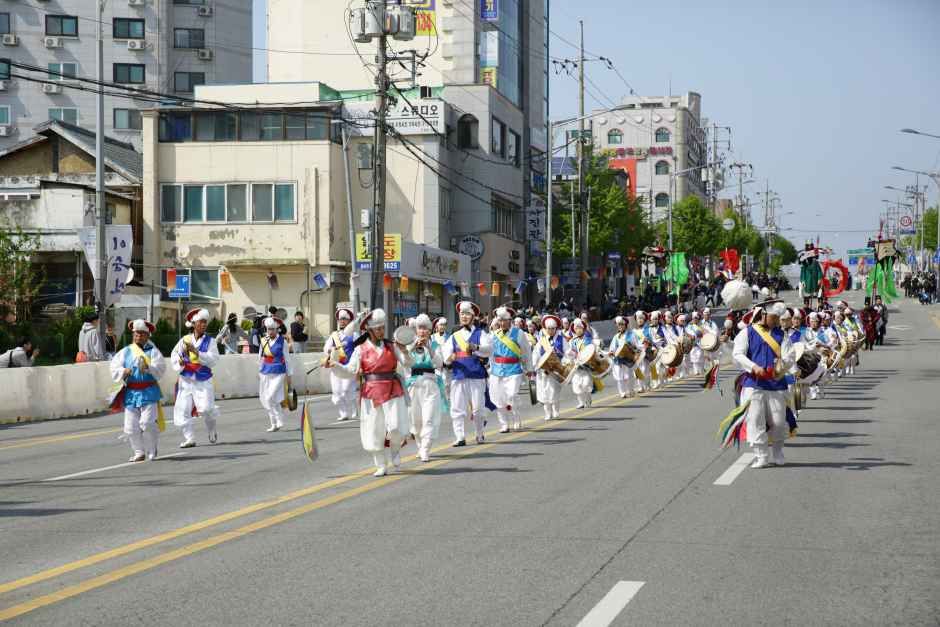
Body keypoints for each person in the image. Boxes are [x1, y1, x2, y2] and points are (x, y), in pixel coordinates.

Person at [326, 308, 413, 477]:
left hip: (392, 389)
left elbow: (408, 363)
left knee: (396, 427)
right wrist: (334, 365)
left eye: (382, 328)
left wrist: (404, 350)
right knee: (375, 430)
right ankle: (381, 464)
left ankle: (395, 449)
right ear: (369, 330)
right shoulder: (360, 349)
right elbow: (350, 370)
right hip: (371, 392)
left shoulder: (392, 346)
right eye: (378, 328)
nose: (381, 331)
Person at [732, 301, 795, 468]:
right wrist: (753, 367)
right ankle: (761, 455)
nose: (776, 321)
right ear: (763, 315)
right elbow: (738, 354)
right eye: (774, 318)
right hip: (754, 383)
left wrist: (781, 366)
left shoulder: (782, 335)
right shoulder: (748, 333)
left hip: (776, 384)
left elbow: (790, 355)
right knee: (755, 420)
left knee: (779, 421)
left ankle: (777, 452)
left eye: (778, 318)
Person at [109, 320, 166, 462]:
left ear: (147, 335)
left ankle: (152, 448)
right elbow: (114, 367)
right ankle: (139, 452)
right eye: (136, 333)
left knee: (147, 423)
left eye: (141, 334)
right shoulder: (125, 351)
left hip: (149, 391)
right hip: (131, 392)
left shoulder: (154, 352)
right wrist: (123, 371)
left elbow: (160, 369)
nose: (138, 336)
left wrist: (148, 368)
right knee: (130, 426)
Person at [441, 300, 492, 446]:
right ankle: (460, 437)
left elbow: (489, 349)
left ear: (473, 316)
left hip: (476, 375)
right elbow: (446, 354)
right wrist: (449, 359)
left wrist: (476, 347)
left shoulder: (481, 333)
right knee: (456, 408)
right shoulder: (454, 336)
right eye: (461, 314)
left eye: (467, 314)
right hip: (459, 375)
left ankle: (479, 433)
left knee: (478, 409)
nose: (463, 316)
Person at [170, 308, 220, 447]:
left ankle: (211, 429)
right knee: (183, 409)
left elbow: (214, 360)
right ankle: (189, 438)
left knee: (206, 409)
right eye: (201, 322)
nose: (204, 325)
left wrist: (198, 353)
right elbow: (175, 355)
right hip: (186, 379)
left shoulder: (211, 341)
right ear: (194, 324)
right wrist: (179, 361)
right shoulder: (185, 340)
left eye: (205, 322)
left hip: (203, 379)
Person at [404, 314, 446, 462]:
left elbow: (440, 363)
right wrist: (413, 347)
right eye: (420, 328)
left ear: (430, 330)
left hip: (430, 384)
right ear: (415, 330)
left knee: (429, 418)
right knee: (415, 420)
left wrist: (429, 348)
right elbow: (404, 363)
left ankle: (425, 448)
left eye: (425, 329)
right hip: (414, 385)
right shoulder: (409, 345)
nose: (422, 331)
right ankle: (420, 446)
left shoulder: (434, 345)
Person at [489, 306, 532, 433]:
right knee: (499, 399)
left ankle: (516, 418)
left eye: (504, 320)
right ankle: (504, 424)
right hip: (497, 371)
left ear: (510, 320)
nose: (502, 323)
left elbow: (526, 351)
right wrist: (491, 368)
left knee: (512, 395)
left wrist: (529, 368)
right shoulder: (494, 335)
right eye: (500, 320)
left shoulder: (519, 333)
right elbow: (491, 354)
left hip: (514, 369)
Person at [323, 308, 359, 422]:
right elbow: (326, 348)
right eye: (340, 319)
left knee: (346, 389)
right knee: (337, 391)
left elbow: (359, 349)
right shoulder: (334, 335)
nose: (342, 321)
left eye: (344, 319)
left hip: (348, 367)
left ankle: (354, 408)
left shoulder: (354, 335)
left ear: (349, 321)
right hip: (336, 366)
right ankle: (343, 413)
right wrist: (331, 350)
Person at [259, 315, 293, 432]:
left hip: (279, 372)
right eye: (268, 329)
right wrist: (260, 371)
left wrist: (289, 375)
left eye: (272, 329)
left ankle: (279, 420)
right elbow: (261, 357)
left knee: (270, 396)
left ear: (277, 329)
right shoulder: (263, 341)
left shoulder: (282, 341)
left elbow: (287, 358)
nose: (270, 331)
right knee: (269, 399)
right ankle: (274, 423)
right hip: (266, 372)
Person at [532, 314, 566, 420]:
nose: (550, 330)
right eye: (548, 329)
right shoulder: (541, 340)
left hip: (556, 370)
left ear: (556, 328)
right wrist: (535, 366)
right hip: (544, 370)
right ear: (545, 329)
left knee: (554, 391)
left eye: (553, 328)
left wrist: (564, 362)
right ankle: (547, 413)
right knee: (544, 391)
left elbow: (568, 352)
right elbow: (536, 354)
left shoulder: (561, 339)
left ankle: (556, 411)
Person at [608, 316, 638, 399]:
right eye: (618, 325)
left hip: (628, 359)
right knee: (619, 377)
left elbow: (636, 345)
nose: (620, 326)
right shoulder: (616, 336)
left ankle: (630, 390)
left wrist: (634, 351)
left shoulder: (631, 334)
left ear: (625, 325)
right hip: (619, 359)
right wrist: (611, 352)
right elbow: (613, 348)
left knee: (629, 376)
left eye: (622, 324)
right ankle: (622, 392)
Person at [567, 318, 594, 408]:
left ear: (583, 329)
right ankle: (581, 402)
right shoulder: (572, 341)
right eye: (576, 328)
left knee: (586, 384)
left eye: (579, 328)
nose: (578, 330)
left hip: (586, 366)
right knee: (577, 385)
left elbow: (592, 350)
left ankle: (588, 398)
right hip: (577, 366)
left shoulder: (588, 339)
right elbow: (570, 353)